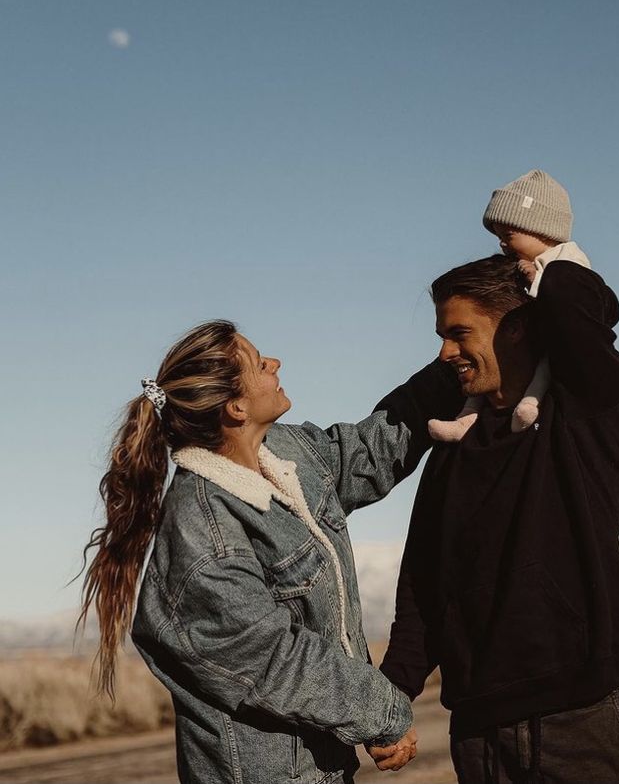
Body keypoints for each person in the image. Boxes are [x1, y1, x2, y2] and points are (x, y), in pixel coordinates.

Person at [78, 319, 462, 784]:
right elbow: (277, 661)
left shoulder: (285, 454)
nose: (276, 363)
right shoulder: (203, 533)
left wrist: (453, 366)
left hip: (323, 768)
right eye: (260, 364)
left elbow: (366, 452)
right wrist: (383, 714)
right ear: (236, 407)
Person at [380, 174, 619, 784]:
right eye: (441, 336)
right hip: (477, 725)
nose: (446, 353)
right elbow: (424, 580)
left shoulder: (585, 414)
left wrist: (542, 256)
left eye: (459, 333)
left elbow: (581, 317)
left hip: (578, 714)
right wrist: (392, 696)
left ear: (520, 328)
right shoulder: (453, 443)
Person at [429, 169, 591, 440]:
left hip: (550, 348)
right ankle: (465, 420)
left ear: (540, 229)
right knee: (481, 380)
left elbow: (581, 306)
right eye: (498, 236)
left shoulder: (569, 266)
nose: (502, 243)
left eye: (508, 234)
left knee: (544, 369)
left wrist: (540, 281)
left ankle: (530, 404)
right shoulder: (518, 266)